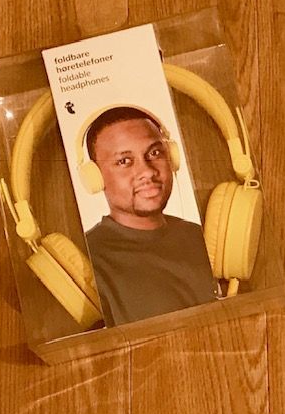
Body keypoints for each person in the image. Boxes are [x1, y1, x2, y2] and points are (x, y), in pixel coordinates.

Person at [84, 107, 217, 326]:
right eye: (124, 161)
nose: (147, 171)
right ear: (95, 177)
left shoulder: (204, 236)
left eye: (155, 153)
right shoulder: (89, 261)